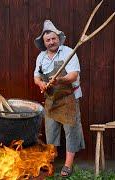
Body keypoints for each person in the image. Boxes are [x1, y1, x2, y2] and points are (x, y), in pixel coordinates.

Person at [33, 20, 85, 177]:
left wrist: (59, 80)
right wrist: (41, 84)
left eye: (53, 39)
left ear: (59, 38)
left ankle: (68, 165)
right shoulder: (41, 58)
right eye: (47, 40)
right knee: (51, 131)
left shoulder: (69, 52)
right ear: (44, 43)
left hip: (69, 98)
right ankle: (50, 161)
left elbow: (73, 75)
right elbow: (36, 77)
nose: (51, 42)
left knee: (71, 131)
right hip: (51, 100)